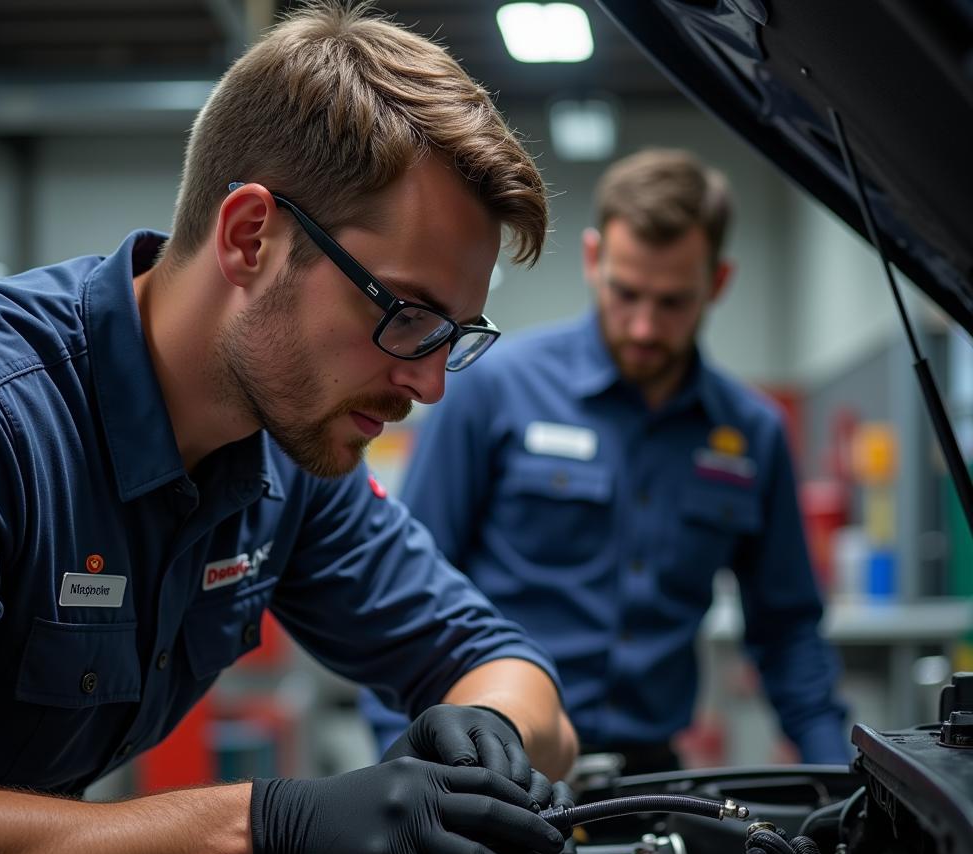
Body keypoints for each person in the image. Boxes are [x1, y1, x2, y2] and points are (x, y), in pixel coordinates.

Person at [0, 2, 578, 854]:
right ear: (250, 237)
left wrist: (485, 736)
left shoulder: (291, 453)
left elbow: (506, 670)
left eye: (456, 335)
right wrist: (265, 823)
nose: (431, 380)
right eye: (406, 313)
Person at [361, 147, 849, 773]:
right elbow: (404, 590)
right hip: (500, 764)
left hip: (653, 776)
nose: (644, 327)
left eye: (672, 302)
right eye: (627, 293)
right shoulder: (495, 390)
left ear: (717, 284)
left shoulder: (751, 433)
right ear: (594, 259)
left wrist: (835, 779)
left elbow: (787, 631)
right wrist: (396, 763)